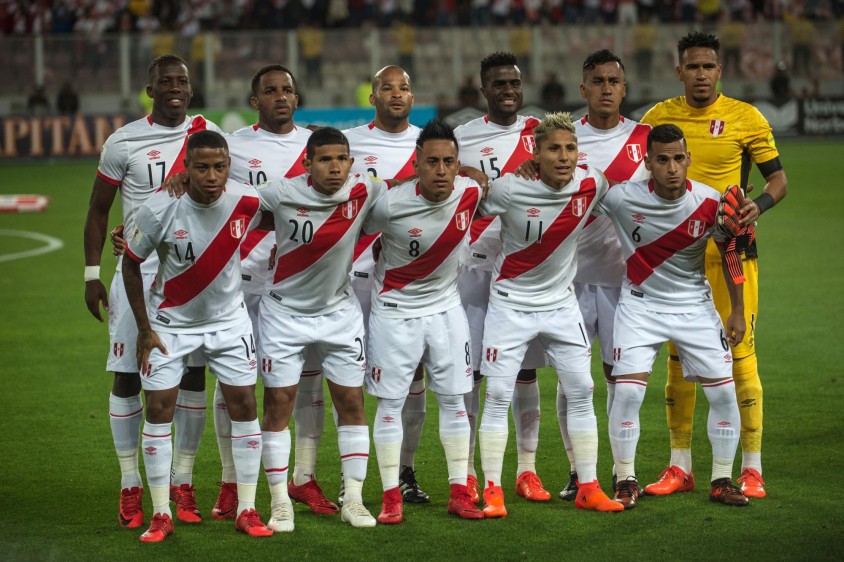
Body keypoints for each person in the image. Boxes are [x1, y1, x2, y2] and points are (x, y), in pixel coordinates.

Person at [640, 31, 787, 499]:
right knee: (678, 359)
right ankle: (679, 464)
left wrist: (759, 205)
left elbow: (778, 180)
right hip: (676, 259)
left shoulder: (746, 118)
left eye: (708, 66)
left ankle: (752, 467)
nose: (700, 74)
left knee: (739, 354)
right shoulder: (657, 118)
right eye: (692, 66)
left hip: (730, 255)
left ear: (719, 71)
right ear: (678, 71)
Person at [83, 54, 221, 530]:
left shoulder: (206, 133)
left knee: (193, 374)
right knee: (127, 375)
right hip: (136, 272)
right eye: (166, 82)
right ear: (150, 89)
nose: (175, 88)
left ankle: (182, 480)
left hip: (192, 272)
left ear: (191, 88)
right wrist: (91, 273)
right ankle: (130, 483)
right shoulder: (123, 142)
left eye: (182, 81)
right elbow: (98, 210)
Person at [122, 130, 272, 542]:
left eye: (219, 167)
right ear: (185, 167)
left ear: (229, 167)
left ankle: (247, 509)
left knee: (244, 405)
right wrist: (144, 329)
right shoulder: (160, 207)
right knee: (159, 410)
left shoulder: (246, 200)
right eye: (201, 167)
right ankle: (161, 513)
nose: (211, 176)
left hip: (229, 323)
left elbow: (292, 214)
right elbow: (131, 264)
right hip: (171, 325)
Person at [475, 112, 622, 517]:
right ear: (535, 154)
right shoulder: (509, 188)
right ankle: (492, 491)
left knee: (582, 391)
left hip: (561, 305)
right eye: (553, 149)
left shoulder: (591, 184)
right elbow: (462, 205)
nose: (563, 156)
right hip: (510, 305)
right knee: (498, 396)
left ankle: (588, 486)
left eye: (570, 148)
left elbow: (627, 200)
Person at [595, 123, 748, 509]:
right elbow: (575, 192)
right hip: (639, 305)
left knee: (724, 393)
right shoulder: (621, 198)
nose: (672, 167)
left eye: (679, 158)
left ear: (688, 159)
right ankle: (625, 479)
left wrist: (737, 310)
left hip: (694, 306)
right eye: (662, 160)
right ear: (648, 163)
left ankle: (721, 479)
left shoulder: (710, 202)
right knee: (627, 392)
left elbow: (731, 253)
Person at [212, 65, 333, 528]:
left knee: (307, 380)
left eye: (287, 90)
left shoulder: (316, 146)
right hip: (244, 278)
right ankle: (230, 480)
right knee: (235, 382)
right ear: (254, 101)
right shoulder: (235, 147)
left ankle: (304, 476)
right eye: (270, 91)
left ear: (297, 98)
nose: (280, 97)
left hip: (302, 283)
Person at [254, 127, 383, 529]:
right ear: (307, 164)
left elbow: (411, 188)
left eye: (341, 158)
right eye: (325, 159)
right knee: (279, 405)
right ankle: (280, 502)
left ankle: (354, 501)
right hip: (283, 315)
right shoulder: (280, 192)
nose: (334, 167)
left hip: (339, 314)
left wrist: (468, 172)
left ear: (351, 162)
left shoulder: (365, 189)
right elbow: (228, 204)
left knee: (352, 403)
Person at [364, 119, 484, 524]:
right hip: (395, 313)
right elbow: (351, 230)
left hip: (447, 310)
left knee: (454, 401)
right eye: (432, 162)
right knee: (390, 404)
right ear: (416, 164)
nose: (441, 170)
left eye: (449, 162)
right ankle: (390, 496)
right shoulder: (390, 204)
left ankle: (459, 492)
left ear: (458, 165)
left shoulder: (470, 192)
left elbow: (491, 188)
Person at [556, 50, 651, 500]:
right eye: (597, 81)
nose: (606, 88)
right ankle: (578, 471)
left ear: (624, 88)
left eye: (614, 80)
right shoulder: (565, 140)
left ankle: (621, 471)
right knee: (572, 381)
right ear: (583, 89)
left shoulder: (644, 139)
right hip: (568, 281)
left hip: (624, 281)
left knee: (619, 377)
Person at [454, 51, 549, 504]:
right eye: (499, 84)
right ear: (484, 90)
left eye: (514, 83)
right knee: (472, 373)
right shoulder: (463, 137)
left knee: (525, 372)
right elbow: (439, 179)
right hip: (475, 267)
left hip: (525, 269)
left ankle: (527, 470)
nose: (508, 90)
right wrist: (461, 170)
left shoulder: (542, 133)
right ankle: (470, 471)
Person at [342, 65, 429, 505]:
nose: (397, 94)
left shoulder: (428, 145)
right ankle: (351, 478)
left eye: (405, 88)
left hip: (404, 281)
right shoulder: (349, 144)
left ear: (413, 97)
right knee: (349, 378)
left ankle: (405, 472)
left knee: (412, 375)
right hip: (352, 276)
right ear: (372, 96)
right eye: (387, 88)